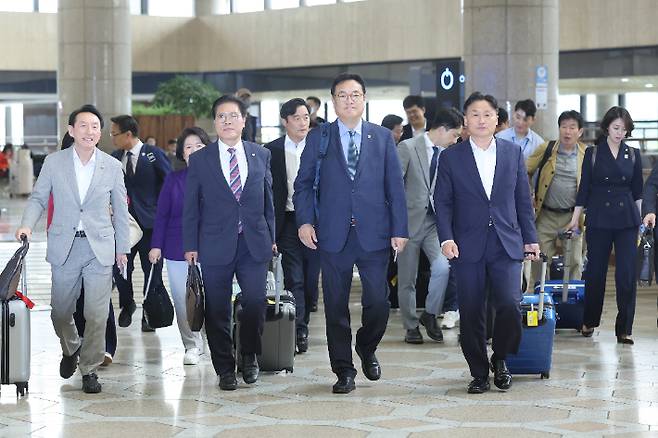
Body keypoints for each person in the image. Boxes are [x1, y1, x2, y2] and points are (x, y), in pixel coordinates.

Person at [294, 73, 408, 394]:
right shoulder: (320, 137)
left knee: (379, 302)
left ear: (364, 99)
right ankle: (343, 370)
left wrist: (400, 229)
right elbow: (303, 185)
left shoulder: (383, 137)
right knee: (335, 306)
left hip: (375, 235)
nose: (349, 100)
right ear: (333, 101)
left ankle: (367, 346)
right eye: (342, 95)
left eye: (355, 94)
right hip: (332, 235)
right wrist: (304, 221)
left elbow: (395, 188)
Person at [16, 104, 129, 394]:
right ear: (71, 130)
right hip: (65, 246)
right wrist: (27, 225)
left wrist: (122, 249)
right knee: (60, 311)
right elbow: (38, 199)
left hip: (99, 248)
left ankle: (89, 369)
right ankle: (71, 347)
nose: (89, 131)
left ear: (99, 132)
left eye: (95, 126)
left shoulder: (112, 166)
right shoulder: (54, 163)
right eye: (83, 125)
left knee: (96, 313)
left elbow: (120, 208)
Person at [435, 92, 539, 394]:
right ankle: (479, 371)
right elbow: (442, 202)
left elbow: (523, 200)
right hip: (467, 244)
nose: (481, 119)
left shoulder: (512, 153)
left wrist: (530, 239)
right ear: (466, 120)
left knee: (509, 303)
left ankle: (501, 359)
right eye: (475, 114)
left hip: (506, 241)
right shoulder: (451, 156)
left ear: (497, 119)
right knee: (471, 311)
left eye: (488, 114)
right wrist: (446, 238)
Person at [183, 95, 275, 391]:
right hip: (213, 244)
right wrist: (190, 245)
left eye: (233, 116)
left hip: (253, 243)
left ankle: (249, 355)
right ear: (215, 123)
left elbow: (268, 201)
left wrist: (271, 237)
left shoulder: (260, 154)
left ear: (243, 121)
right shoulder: (200, 159)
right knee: (217, 309)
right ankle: (224, 367)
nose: (227, 121)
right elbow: (191, 206)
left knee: (256, 302)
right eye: (221, 116)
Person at [567, 106, 642, 344]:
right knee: (595, 273)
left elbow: (638, 191)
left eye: (624, 129)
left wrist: (640, 222)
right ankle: (589, 321)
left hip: (627, 219)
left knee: (626, 275)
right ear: (607, 127)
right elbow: (584, 189)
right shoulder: (593, 153)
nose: (620, 133)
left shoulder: (634, 154)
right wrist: (574, 218)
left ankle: (624, 329)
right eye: (616, 128)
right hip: (599, 217)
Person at [396, 108, 463, 344]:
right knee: (407, 279)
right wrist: (395, 227)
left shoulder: (447, 154)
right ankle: (410, 326)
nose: (456, 140)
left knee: (443, 267)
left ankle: (430, 314)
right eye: (455, 135)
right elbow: (393, 188)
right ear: (443, 130)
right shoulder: (407, 148)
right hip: (407, 224)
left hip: (435, 224)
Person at [149, 127, 209, 365]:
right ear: (182, 154)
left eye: (199, 146)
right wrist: (156, 246)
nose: (194, 151)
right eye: (188, 147)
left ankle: (210, 338)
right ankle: (191, 344)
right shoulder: (174, 180)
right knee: (183, 299)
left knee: (212, 298)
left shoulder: (219, 178)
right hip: (176, 248)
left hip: (212, 247)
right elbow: (162, 215)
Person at [264, 98, 321, 354]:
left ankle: (304, 318)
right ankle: (299, 330)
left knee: (311, 279)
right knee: (294, 277)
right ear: (284, 121)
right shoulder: (271, 150)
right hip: (287, 220)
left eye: (306, 117)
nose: (302, 122)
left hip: (317, 221)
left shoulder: (321, 147)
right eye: (296, 118)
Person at [110, 115, 171, 332]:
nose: (112, 138)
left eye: (114, 133)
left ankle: (149, 311)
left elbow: (168, 183)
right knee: (120, 269)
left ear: (128, 134)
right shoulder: (115, 158)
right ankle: (127, 304)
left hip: (150, 225)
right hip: (124, 225)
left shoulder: (154, 155)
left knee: (151, 270)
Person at [526, 110, 586, 283]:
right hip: (546, 215)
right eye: (564, 127)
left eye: (572, 127)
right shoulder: (547, 149)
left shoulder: (587, 154)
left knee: (574, 261)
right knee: (540, 259)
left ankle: (572, 302)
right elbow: (524, 170)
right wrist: (529, 193)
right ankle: (542, 299)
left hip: (573, 217)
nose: (567, 131)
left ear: (580, 132)